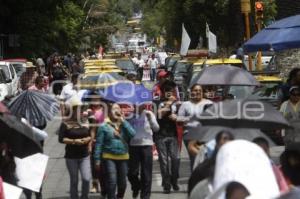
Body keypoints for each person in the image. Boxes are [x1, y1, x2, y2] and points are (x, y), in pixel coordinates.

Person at [94, 103, 135, 199]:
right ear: (109, 112)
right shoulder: (104, 126)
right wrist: (97, 159)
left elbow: (132, 134)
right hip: (109, 156)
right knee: (112, 180)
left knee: (123, 183)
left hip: (123, 156)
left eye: (117, 108)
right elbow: (99, 143)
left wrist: (123, 122)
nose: (116, 111)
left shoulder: (124, 123)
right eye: (113, 109)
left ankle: (119, 197)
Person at [58, 97, 92, 199]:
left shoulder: (86, 121)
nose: (79, 111)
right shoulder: (65, 123)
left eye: (80, 109)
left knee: (86, 179)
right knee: (74, 180)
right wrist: (73, 141)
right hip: (71, 156)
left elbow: (91, 135)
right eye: (77, 109)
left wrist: (87, 140)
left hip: (84, 155)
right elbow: (61, 139)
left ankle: (84, 197)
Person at [177, 84, 213, 171]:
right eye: (195, 90)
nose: (197, 92)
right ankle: (195, 180)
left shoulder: (209, 103)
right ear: (191, 92)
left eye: (199, 90)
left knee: (205, 158)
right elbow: (179, 119)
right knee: (195, 158)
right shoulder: (185, 104)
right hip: (190, 135)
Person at [188, 130, 234, 196]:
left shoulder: (238, 170)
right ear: (217, 144)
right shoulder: (201, 170)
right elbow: (191, 146)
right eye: (224, 139)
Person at [127, 104, 159, 199]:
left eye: (144, 103)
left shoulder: (149, 114)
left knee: (146, 173)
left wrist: (150, 119)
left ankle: (145, 196)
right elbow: (126, 130)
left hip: (147, 145)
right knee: (132, 172)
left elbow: (156, 128)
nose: (143, 105)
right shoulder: (130, 116)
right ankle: (136, 186)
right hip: (133, 146)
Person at [156, 82, 180, 194]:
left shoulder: (178, 104)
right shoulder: (157, 102)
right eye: (166, 90)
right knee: (164, 162)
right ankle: (167, 185)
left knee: (176, 159)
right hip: (161, 135)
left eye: (170, 90)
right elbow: (159, 115)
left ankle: (174, 180)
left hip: (173, 135)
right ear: (163, 92)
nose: (168, 92)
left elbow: (182, 116)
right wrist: (169, 103)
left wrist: (178, 117)